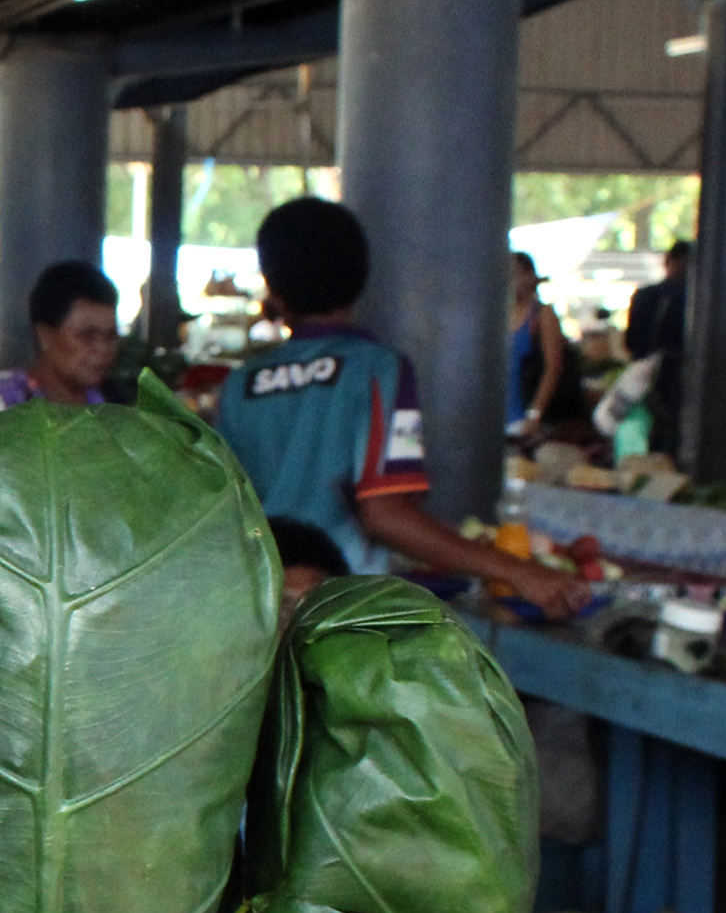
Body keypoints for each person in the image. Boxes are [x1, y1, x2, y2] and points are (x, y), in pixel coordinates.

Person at [218, 198, 583, 619]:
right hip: (340, 610)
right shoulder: (379, 370)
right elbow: (384, 514)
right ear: (363, 274)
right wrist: (519, 572)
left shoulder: (239, 384)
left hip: (254, 609)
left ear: (272, 287)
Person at [0, 258, 119, 409]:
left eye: (110, 337)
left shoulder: (113, 406)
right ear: (44, 336)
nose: (103, 349)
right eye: (87, 336)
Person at [507, 251, 584, 435]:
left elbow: (553, 368)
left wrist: (535, 413)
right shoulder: (496, 316)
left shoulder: (542, 314)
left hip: (525, 413)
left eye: (515, 275)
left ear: (530, 277)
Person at [623, 237, 691, 432]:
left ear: (667, 260)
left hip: (642, 382)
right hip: (677, 386)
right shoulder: (695, 299)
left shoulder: (644, 295)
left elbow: (630, 341)